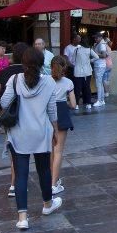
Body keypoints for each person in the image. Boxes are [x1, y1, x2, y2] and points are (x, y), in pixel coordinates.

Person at [0, 47, 61, 230]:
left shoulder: (15, 80)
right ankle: (47, 204)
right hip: (41, 133)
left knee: (21, 175)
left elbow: (4, 102)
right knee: (44, 171)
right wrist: (55, 131)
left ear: (23, 63)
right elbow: (52, 110)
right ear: (42, 63)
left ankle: (22, 217)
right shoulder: (49, 82)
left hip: (19, 133)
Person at [0, 42, 27, 198]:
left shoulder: (5, 72)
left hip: (11, 117)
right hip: (31, 116)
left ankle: (14, 184)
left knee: (15, 151)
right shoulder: (32, 71)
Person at [50, 56, 76, 195]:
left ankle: (50, 180)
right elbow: (73, 104)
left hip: (47, 115)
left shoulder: (45, 80)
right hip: (61, 114)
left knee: (50, 151)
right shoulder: (68, 83)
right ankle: (54, 184)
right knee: (58, 150)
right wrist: (64, 102)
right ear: (65, 67)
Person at [73, 36, 99, 110]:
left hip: (78, 72)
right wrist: (90, 61)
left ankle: (77, 104)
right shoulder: (89, 49)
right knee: (87, 87)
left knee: (77, 88)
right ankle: (88, 103)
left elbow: (73, 60)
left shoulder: (77, 50)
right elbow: (97, 57)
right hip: (87, 71)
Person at [91, 33, 108, 107]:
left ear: (100, 37)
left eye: (96, 38)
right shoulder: (98, 44)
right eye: (94, 38)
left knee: (98, 83)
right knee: (100, 83)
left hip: (100, 66)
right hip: (99, 65)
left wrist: (95, 55)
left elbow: (104, 55)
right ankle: (102, 99)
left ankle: (99, 100)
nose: (95, 39)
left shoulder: (101, 45)